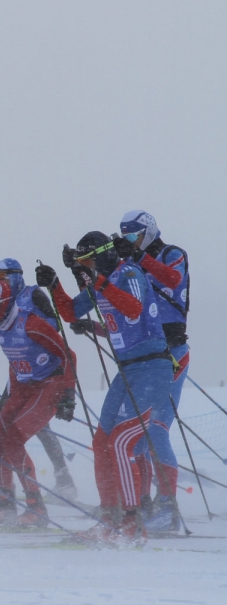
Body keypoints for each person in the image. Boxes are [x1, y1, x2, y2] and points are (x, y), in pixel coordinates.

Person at [37, 231, 178, 543]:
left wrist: (96, 281)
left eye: (88, 259)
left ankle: (132, 521)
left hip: (152, 369)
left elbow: (133, 309)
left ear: (103, 254)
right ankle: (109, 517)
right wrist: (55, 285)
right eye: (82, 261)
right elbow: (72, 312)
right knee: (101, 442)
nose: (86, 265)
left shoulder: (128, 273)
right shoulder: (104, 281)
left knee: (121, 443)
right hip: (127, 370)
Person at [0, 260, 76, 527]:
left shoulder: (29, 323)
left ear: (4, 302)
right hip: (23, 385)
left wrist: (69, 396)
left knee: (14, 438)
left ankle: (36, 507)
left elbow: (68, 354)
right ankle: (5, 504)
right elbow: (15, 358)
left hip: (49, 384)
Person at [115, 210, 190, 526]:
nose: (132, 242)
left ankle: (168, 507)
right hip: (146, 353)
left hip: (172, 352)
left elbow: (173, 279)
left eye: (134, 235)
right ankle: (142, 500)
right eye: (127, 237)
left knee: (155, 428)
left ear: (147, 231)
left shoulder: (172, 254)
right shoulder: (132, 264)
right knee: (136, 431)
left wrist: (138, 257)